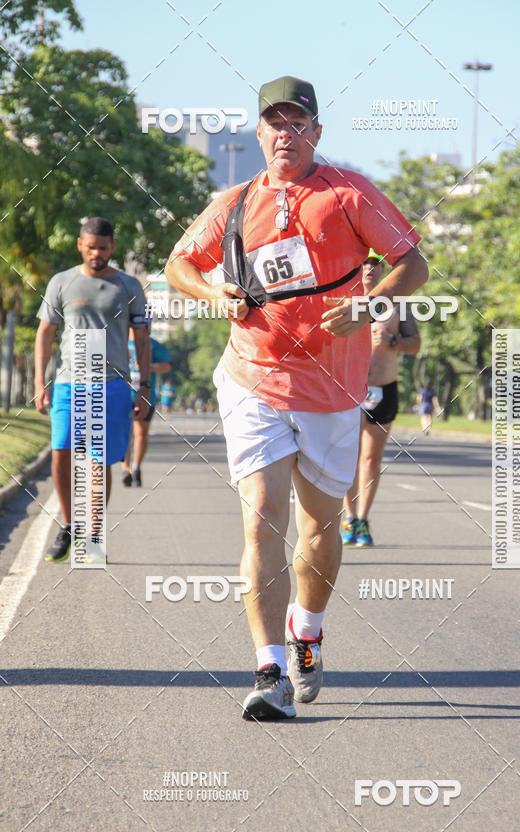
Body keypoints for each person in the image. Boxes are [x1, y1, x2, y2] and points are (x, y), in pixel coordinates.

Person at [165, 76, 428, 721]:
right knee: (262, 515)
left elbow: (412, 262)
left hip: (335, 389)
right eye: (273, 123)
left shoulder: (347, 193)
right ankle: (269, 668)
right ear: (258, 133)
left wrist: (368, 303)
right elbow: (179, 264)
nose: (285, 133)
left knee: (319, 526)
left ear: (316, 132)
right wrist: (213, 295)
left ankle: (307, 632)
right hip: (253, 376)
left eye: (297, 123)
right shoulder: (235, 202)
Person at [35, 217, 150, 561]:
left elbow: (141, 339)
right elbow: (45, 333)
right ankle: (70, 525)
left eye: (103, 248)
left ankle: (94, 535)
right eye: (90, 247)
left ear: (112, 248)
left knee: (99, 463)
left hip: (112, 386)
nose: (96, 253)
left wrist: (143, 386)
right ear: (80, 245)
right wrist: (40, 382)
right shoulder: (62, 282)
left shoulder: (128, 286)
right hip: (70, 384)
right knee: (61, 453)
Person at [341, 250, 421, 547]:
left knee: (371, 459)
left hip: (384, 389)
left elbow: (415, 344)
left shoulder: (397, 305)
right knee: (348, 458)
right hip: (351, 390)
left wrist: (393, 341)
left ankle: (362, 520)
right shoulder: (345, 301)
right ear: (356, 268)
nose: (370, 269)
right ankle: (348, 517)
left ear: (385, 267)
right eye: (364, 263)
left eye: (376, 263)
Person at [122, 328, 172, 487]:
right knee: (125, 433)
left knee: (141, 433)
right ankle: (126, 469)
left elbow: (167, 366)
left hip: (146, 395)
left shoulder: (152, 345)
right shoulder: (119, 342)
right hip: (123, 394)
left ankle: (136, 467)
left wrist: (148, 367)